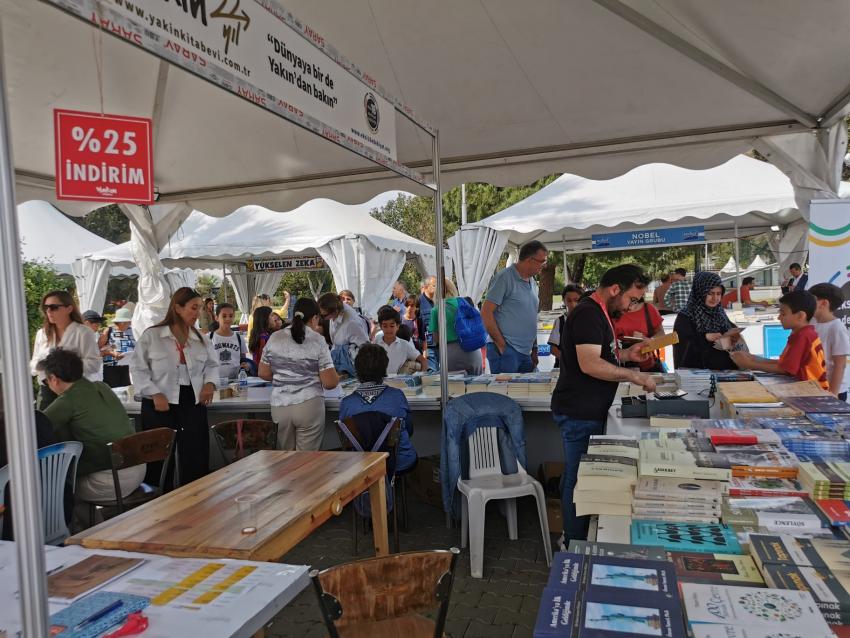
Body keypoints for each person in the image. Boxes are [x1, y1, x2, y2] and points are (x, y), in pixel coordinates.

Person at [551, 264, 657, 543]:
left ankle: (576, 535)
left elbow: (604, 356)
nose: (631, 306)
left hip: (588, 408)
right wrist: (633, 375)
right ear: (614, 289)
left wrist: (626, 355)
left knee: (581, 475)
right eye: (631, 299)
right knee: (579, 478)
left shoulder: (598, 312)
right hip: (579, 411)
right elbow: (590, 364)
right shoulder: (588, 313)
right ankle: (573, 540)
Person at [130, 287, 219, 485]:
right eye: (193, 308)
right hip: (158, 402)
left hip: (192, 399)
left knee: (195, 455)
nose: (197, 313)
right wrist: (154, 393)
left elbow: (213, 365)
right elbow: (138, 370)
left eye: (200, 308)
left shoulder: (201, 339)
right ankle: (160, 502)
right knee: (158, 458)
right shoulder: (152, 336)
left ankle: (196, 499)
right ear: (178, 308)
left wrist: (210, 384)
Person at [38, 349, 143, 508]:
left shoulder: (69, 399)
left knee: (56, 488)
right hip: (138, 470)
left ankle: (82, 531)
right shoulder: (102, 387)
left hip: (111, 480)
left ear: (53, 379)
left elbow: (39, 425)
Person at [259, 298, 339, 450]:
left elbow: (263, 372)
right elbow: (330, 383)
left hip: (280, 406)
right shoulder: (318, 340)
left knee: (284, 461)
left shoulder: (275, 337)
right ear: (315, 317)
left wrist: (285, 377)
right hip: (309, 404)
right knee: (306, 463)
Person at [339, 344, 417, 472]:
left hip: (361, 466)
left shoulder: (346, 404)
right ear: (384, 369)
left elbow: (347, 440)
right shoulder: (397, 396)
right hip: (400, 460)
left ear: (357, 370)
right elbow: (409, 429)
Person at [731, 290, 828, 389]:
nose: (779, 317)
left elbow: (785, 369)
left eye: (783, 314)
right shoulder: (804, 333)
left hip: (812, 391)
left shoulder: (803, 336)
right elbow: (783, 363)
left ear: (800, 316)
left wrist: (750, 364)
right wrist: (754, 358)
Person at [482, 240, 548, 374]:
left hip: (526, 352)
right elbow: (485, 313)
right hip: (507, 351)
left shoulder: (533, 282)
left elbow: (531, 317)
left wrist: (534, 348)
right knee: (506, 393)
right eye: (542, 261)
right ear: (530, 260)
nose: (543, 266)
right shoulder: (504, 278)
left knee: (525, 393)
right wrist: (502, 346)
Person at [30, 290, 102, 409]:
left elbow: (94, 364)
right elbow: (34, 363)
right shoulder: (42, 334)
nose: (49, 311)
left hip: (75, 391)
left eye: (54, 307)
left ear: (69, 308)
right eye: (46, 307)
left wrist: (66, 367)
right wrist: (41, 365)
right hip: (47, 391)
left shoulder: (83, 332)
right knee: (45, 425)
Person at [672, 272, 742, 370]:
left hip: (725, 372)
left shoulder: (719, 313)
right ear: (700, 292)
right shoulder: (686, 316)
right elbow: (682, 345)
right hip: (698, 376)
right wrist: (705, 337)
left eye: (718, 294)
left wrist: (733, 336)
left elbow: (728, 332)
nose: (715, 298)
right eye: (710, 293)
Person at [427, 279, 484, 375]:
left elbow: (436, 338)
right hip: (473, 349)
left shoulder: (436, 310)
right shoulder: (464, 302)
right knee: (476, 386)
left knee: (454, 387)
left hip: (451, 353)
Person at [808, 283, 850, 400]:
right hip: (815, 387)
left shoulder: (837, 328)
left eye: (811, 300)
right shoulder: (812, 322)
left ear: (824, 303)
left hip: (833, 391)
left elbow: (840, 365)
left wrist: (833, 394)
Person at [318, 292, 370, 376]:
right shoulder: (335, 314)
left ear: (334, 311)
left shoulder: (351, 322)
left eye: (323, 315)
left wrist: (344, 353)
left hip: (352, 368)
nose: (321, 318)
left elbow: (365, 347)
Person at [613, 298, 665, 373]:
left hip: (647, 366)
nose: (630, 308)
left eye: (633, 303)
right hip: (619, 366)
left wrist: (648, 340)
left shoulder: (648, 309)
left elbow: (661, 334)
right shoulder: (612, 310)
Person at [377, 306, 428, 374]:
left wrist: (421, 376)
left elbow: (423, 361)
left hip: (399, 383)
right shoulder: (376, 344)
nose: (388, 329)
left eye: (392, 326)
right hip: (380, 383)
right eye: (385, 326)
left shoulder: (404, 345)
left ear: (398, 326)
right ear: (380, 327)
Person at [210, 303, 249, 380]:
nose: (228, 319)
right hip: (215, 381)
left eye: (231, 316)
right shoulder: (209, 338)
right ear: (217, 318)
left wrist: (245, 365)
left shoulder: (239, 337)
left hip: (235, 381)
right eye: (224, 316)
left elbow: (243, 359)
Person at [101, 307, 136, 388]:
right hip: (111, 369)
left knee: (127, 393)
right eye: (128, 322)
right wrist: (111, 353)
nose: (130, 323)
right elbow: (97, 350)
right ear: (122, 322)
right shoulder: (109, 331)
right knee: (112, 393)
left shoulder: (133, 330)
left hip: (128, 368)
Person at [548, 284, 584, 364]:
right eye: (569, 300)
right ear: (564, 301)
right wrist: (568, 361)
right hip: (563, 367)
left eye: (576, 300)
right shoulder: (560, 321)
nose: (573, 304)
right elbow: (553, 348)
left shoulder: (589, 321)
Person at [419, 276, 438, 371]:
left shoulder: (438, 302)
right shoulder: (419, 303)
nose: (437, 288)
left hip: (440, 344)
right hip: (429, 347)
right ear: (426, 287)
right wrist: (424, 349)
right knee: (432, 375)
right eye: (435, 285)